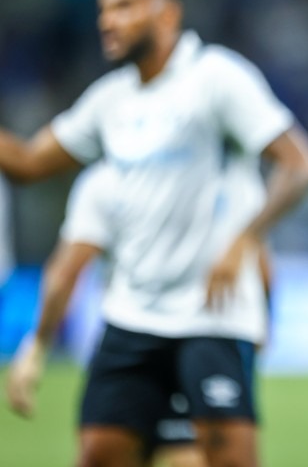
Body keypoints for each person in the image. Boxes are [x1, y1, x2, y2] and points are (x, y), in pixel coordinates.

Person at [0, 0, 308, 467]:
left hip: (210, 318)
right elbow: (26, 163)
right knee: (97, 454)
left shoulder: (216, 76)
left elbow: (300, 165)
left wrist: (243, 239)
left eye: (124, 6)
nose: (107, 19)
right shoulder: (109, 101)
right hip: (131, 316)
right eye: (104, 8)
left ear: (167, 14)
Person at [6, 151, 271, 467]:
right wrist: (263, 321)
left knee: (110, 452)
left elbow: (65, 270)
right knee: (191, 454)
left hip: (144, 336)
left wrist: (37, 346)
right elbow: (264, 264)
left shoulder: (104, 180)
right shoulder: (219, 170)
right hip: (196, 330)